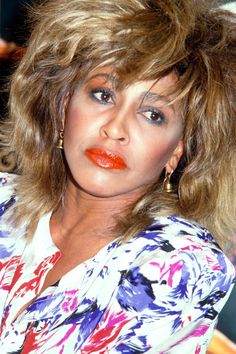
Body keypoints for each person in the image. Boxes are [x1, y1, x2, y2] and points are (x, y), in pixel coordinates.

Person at [0, 0, 236, 352]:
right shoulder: (4, 199)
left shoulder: (180, 261)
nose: (115, 129)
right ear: (62, 105)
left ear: (177, 150)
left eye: (153, 114)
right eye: (103, 95)